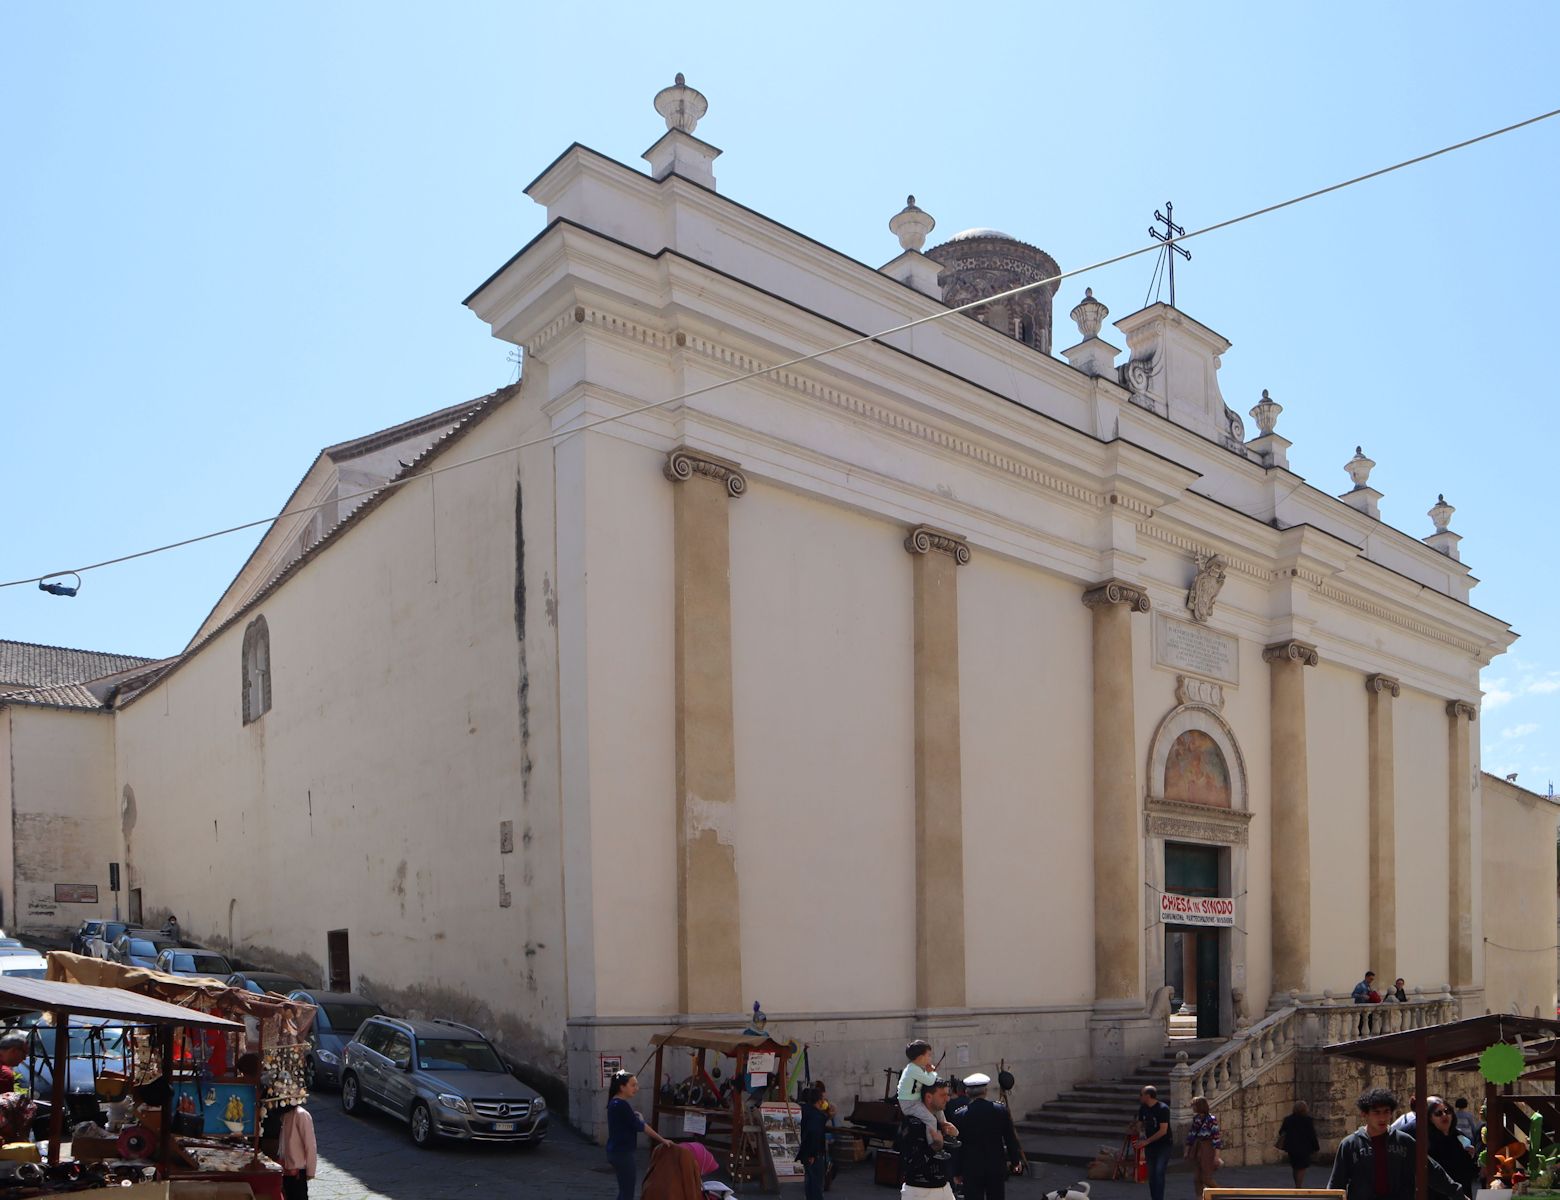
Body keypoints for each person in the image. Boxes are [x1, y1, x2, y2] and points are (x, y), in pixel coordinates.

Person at [1328, 1086, 1463, 1200]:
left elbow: (1431, 1170)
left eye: (1386, 1112)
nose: (1382, 1117)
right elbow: (1336, 1184)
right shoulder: (1350, 1145)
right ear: (1365, 1114)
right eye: (1376, 1112)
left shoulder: (1404, 1142)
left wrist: (1459, 1194)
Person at [950, 1073, 1022, 1200]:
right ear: (985, 1092)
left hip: (971, 1168)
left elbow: (957, 1146)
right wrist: (1015, 1161)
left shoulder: (960, 1115)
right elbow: (1010, 1138)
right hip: (995, 1166)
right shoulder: (1000, 1110)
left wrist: (956, 1171)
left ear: (967, 1092)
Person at [607, 1070, 673, 1200]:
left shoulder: (614, 1103)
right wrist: (662, 1140)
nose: (636, 1088)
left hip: (616, 1151)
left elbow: (633, 1123)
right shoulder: (621, 1105)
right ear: (622, 1087)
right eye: (633, 1085)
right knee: (627, 1192)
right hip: (622, 1153)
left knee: (624, 1191)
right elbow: (641, 1126)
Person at [897, 1078, 956, 1199]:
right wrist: (934, 1147)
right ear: (929, 1097)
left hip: (944, 1188)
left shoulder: (940, 1117)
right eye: (942, 1095)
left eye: (947, 1094)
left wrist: (951, 1136)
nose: (947, 1099)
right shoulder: (912, 1123)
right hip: (920, 1191)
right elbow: (908, 1163)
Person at [899, 1040, 954, 1149]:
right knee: (931, 1119)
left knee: (938, 1110)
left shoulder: (917, 1069)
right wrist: (932, 1072)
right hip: (910, 1104)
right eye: (929, 1055)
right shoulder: (912, 1070)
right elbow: (929, 1081)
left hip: (916, 1100)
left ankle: (945, 1133)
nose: (930, 1058)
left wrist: (929, 1073)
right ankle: (933, 1145)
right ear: (920, 1057)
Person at [1425, 1099, 1479, 1198]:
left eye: (1447, 1111)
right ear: (1430, 1118)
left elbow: (1470, 1171)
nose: (1444, 1115)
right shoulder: (1427, 1142)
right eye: (1438, 1113)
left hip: (1463, 1193)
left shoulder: (1459, 1137)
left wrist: (1472, 1156)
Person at [1136, 1085, 1174, 1200]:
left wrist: (1146, 1141)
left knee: (1159, 1171)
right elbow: (1140, 1123)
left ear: (1148, 1096)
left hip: (1164, 1144)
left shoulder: (1163, 1109)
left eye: (1141, 1094)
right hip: (1150, 1145)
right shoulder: (1143, 1107)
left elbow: (1163, 1130)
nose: (1139, 1097)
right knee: (1151, 1174)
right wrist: (1141, 1134)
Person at [1185, 1095, 1223, 1200]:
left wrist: (1216, 1156)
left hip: (1207, 1147)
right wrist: (1187, 1149)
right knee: (1197, 1178)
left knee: (1206, 1178)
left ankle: (1221, 1193)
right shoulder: (1196, 1119)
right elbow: (1191, 1134)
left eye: (1194, 1105)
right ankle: (1199, 1197)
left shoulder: (1211, 1119)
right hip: (1197, 1146)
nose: (1192, 1108)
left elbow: (1216, 1138)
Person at [277, 1104, 317, 1200]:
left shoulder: (301, 1115)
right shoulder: (285, 1115)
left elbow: (310, 1144)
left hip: (297, 1170)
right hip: (285, 1168)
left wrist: (310, 1170)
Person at [1277, 1100, 1321, 1186]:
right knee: (1302, 1167)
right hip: (1304, 1148)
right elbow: (1312, 1135)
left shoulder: (1288, 1119)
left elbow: (1281, 1132)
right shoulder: (1308, 1120)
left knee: (1295, 1166)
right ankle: (1298, 1186)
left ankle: (1297, 1184)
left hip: (1291, 1147)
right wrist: (1316, 1147)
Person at [799, 1086, 829, 1200]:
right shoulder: (816, 1115)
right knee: (815, 1183)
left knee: (810, 1181)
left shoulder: (806, 1110)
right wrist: (813, 1154)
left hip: (807, 1151)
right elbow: (814, 1134)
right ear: (819, 1100)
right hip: (814, 1153)